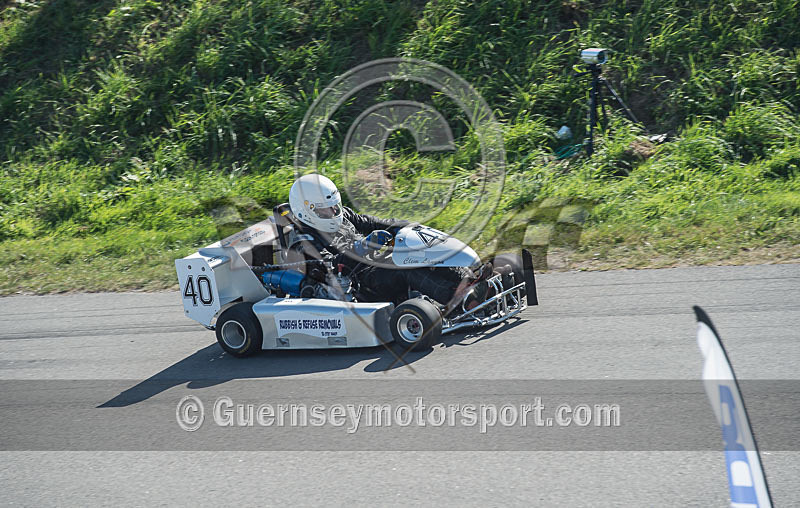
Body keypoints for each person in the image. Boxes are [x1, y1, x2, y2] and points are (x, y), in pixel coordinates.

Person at [285, 174, 487, 309]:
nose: (332, 213)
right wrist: (362, 248)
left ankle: (467, 280)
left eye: (334, 207)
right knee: (403, 265)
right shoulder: (303, 239)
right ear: (306, 211)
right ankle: (457, 299)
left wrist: (405, 228)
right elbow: (324, 268)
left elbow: (373, 222)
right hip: (360, 286)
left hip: (374, 262)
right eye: (324, 209)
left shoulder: (343, 215)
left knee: (417, 251)